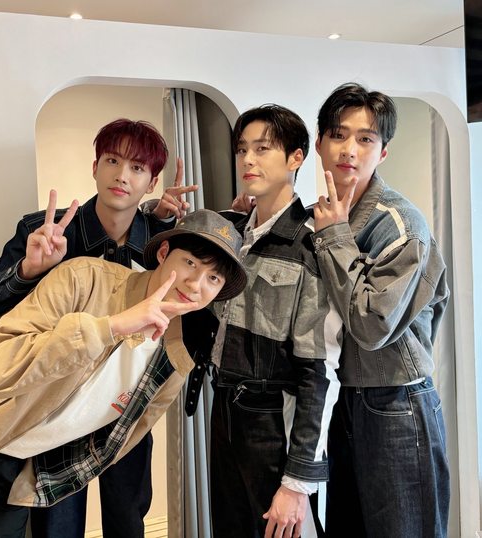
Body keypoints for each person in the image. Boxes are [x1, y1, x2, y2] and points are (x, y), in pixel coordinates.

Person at [0, 209, 247, 537]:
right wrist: (112, 326)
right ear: (163, 253)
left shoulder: (174, 361)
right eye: (190, 263)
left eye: (213, 278)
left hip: (4, 475)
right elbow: (1, 367)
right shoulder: (85, 279)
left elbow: (116, 442)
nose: (196, 284)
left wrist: (41, 481)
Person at [0, 118, 196, 537]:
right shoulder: (47, 231)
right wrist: (29, 269)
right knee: (57, 527)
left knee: (127, 520)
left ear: (152, 182)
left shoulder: (162, 243)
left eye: (138, 168)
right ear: (95, 167)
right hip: (58, 409)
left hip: (125, 407)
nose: (122, 176)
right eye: (113, 161)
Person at [312, 82, 450, 537]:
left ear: (382, 151)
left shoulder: (401, 224)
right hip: (343, 397)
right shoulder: (321, 216)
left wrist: (334, 238)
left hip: (396, 401)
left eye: (365, 138)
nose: (349, 149)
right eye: (338, 134)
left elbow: (372, 326)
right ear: (319, 142)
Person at [209, 104, 342, 538]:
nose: (248, 159)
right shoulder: (232, 235)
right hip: (223, 406)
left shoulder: (309, 244)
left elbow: (319, 370)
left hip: (273, 418)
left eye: (262, 149)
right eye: (242, 149)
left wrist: (299, 481)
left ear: (295, 158)